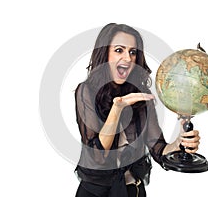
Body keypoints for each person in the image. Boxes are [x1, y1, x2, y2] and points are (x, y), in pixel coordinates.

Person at [74, 23, 200, 197]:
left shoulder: (142, 95)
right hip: (96, 193)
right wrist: (117, 108)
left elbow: (158, 149)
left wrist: (179, 142)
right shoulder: (86, 91)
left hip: (134, 191)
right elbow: (98, 156)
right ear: (105, 54)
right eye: (119, 50)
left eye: (133, 52)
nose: (127, 58)